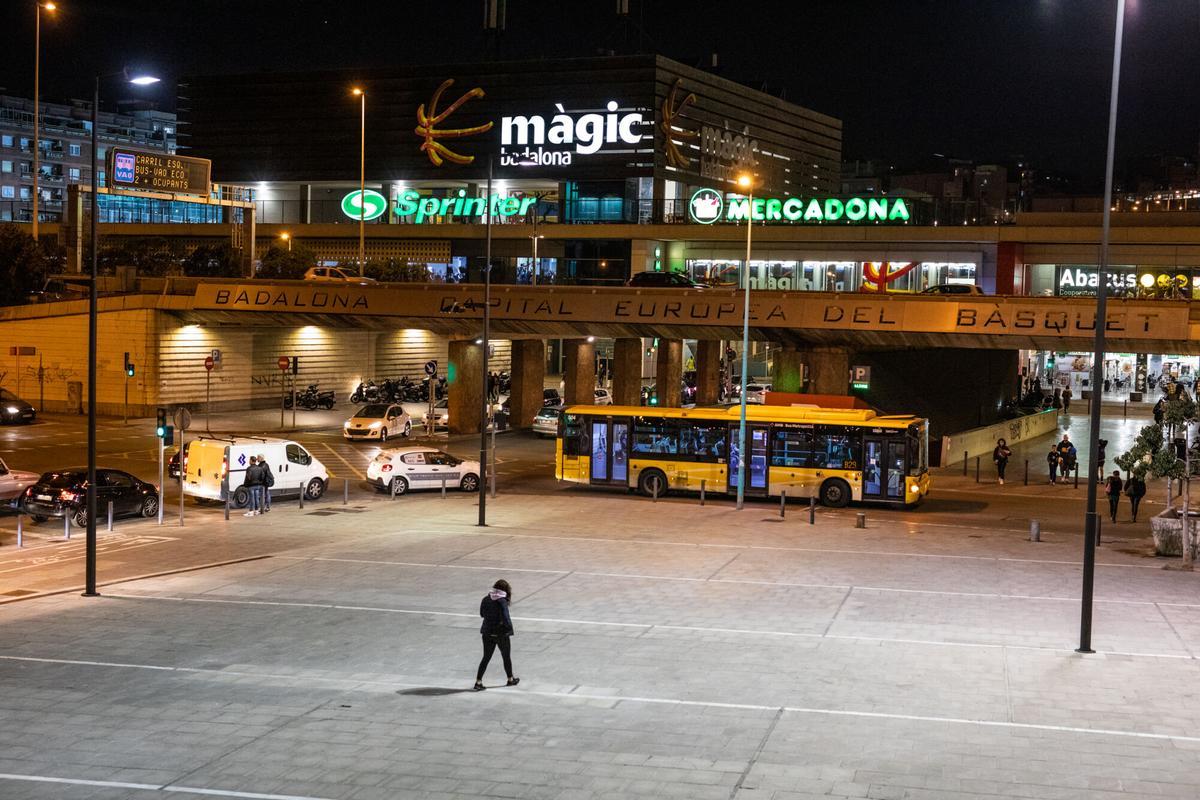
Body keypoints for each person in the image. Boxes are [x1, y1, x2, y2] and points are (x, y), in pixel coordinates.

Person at [474, 579, 519, 691]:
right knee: (506, 656)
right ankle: (510, 679)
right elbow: (506, 617)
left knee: (486, 657)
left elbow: (481, 614)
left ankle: (478, 682)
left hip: (487, 632)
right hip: (501, 634)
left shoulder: (485, 599)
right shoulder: (502, 601)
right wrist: (509, 628)